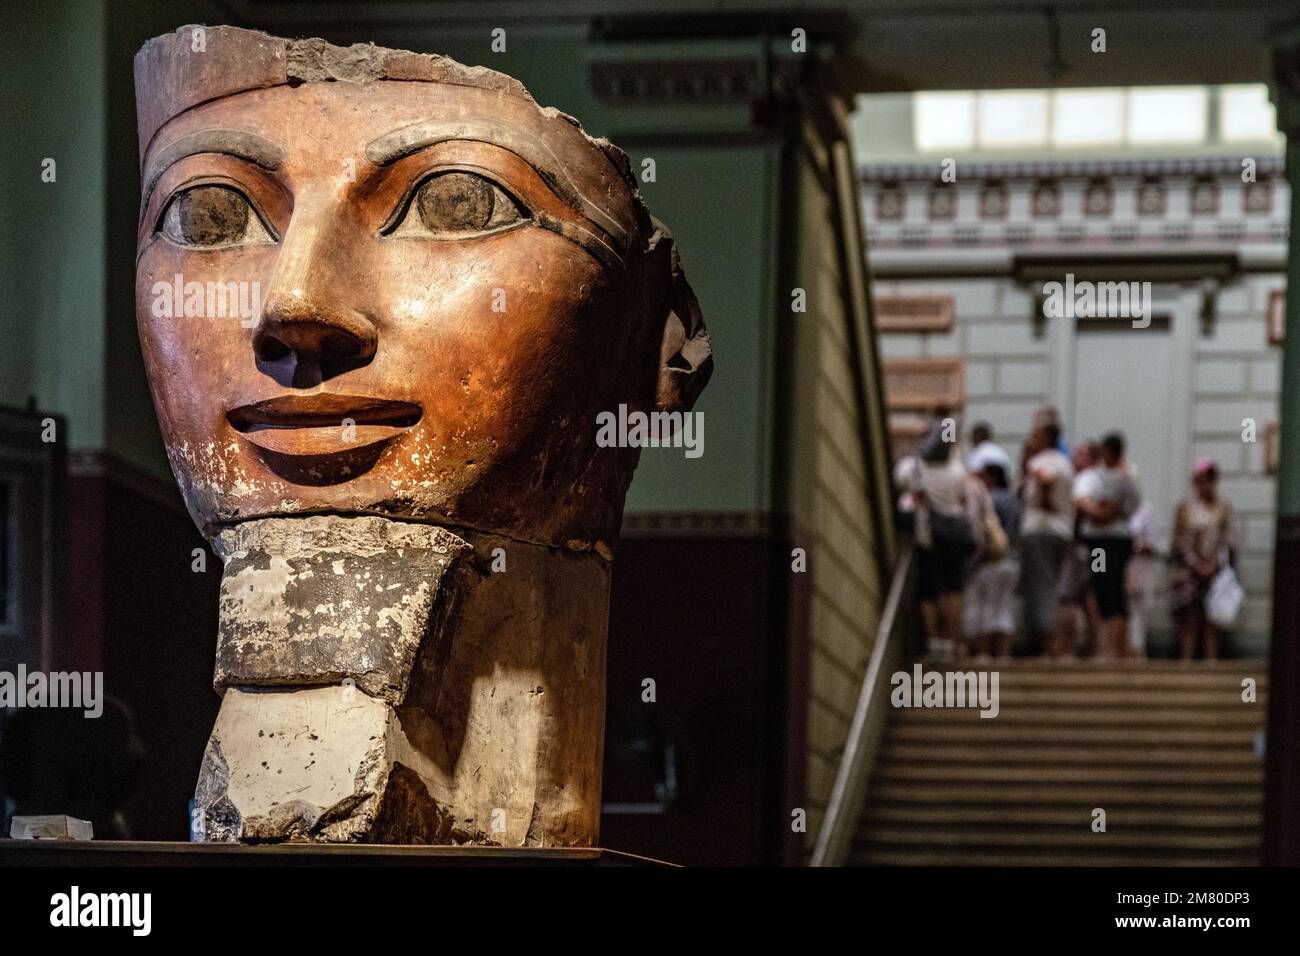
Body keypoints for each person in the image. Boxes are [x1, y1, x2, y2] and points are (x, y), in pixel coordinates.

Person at [900, 418, 983, 659]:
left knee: (929, 590)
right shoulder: (957, 469)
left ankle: (933, 639)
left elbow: (907, 492)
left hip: (929, 534)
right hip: (956, 533)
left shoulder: (915, 466)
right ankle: (952, 641)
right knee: (954, 587)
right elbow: (965, 499)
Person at [1076, 432, 1142, 659]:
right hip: (1099, 542)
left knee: (1112, 589)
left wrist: (1099, 511)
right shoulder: (1093, 477)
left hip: (1110, 541)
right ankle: (1104, 646)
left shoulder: (1123, 479)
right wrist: (1099, 511)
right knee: (1101, 586)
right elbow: (1087, 505)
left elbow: (1108, 511)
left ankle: (1114, 648)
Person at [1018, 412, 1075, 656]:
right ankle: (1058, 644)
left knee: (1042, 587)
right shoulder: (1066, 462)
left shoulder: (1041, 462)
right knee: (1055, 585)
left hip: (1040, 528)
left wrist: (1045, 501)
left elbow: (1046, 479)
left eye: (1035, 435)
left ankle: (1048, 644)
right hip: (1061, 529)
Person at [1169, 459, 1235, 661]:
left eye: (1211, 480)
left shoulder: (1223, 508)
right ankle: (1186, 659)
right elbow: (1179, 540)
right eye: (1203, 481)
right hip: (1189, 569)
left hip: (1214, 569)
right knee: (1189, 616)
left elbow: (1228, 540)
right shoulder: (1185, 508)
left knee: (1212, 617)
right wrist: (1195, 564)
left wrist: (1214, 565)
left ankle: (1211, 658)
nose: (1207, 485)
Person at [964, 462, 1020, 659]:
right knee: (1005, 608)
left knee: (987, 607)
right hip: (1013, 559)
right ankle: (1004, 654)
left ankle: (985, 652)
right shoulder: (1014, 500)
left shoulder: (988, 498)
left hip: (991, 558)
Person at [1060, 440, 1103, 657]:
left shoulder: (1085, 479)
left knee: (1068, 596)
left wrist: (1072, 529)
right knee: (1092, 594)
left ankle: (1067, 649)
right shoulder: (1103, 479)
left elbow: (1078, 504)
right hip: (1098, 548)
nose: (1074, 457)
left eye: (1080, 453)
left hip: (1079, 547)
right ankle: (1096, 648)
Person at [1126, 500, 1162, 659]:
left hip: (1136, 572)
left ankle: (1136, 654)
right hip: (1109, 569)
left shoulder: (1144, 509)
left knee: (1136, 616)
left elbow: (1154, 546)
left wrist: (1135, 546)